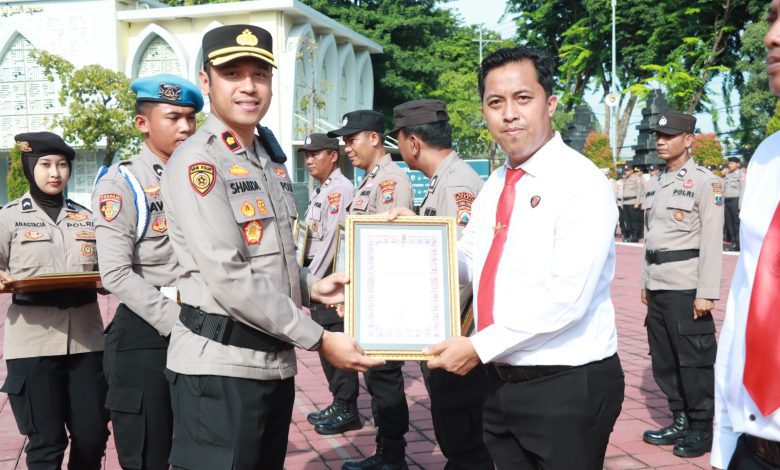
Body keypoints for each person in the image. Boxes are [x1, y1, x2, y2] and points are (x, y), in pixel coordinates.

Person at [159, 24, 382, 470]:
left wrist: (311, 286)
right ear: (206, 81)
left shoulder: (266, 159)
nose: (248, 86)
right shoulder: (199, 162)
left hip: (270, 363)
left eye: (259, 74)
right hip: (219, 368)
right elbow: (228, 275)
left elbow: (269, 257)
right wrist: (320, 340)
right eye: (232, 74)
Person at [423, 47, 624, 470]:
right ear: (484, 112)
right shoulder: (497, 182)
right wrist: (414, 244)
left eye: (523, 98)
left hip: (565, 385)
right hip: (500, 381)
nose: (509, 114)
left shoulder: (581, 182)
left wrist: (478, 346)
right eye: (496, 102)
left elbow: (568, 298)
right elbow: (471, 259)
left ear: (550, 103)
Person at [91, 73, 202, 470]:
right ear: (143, 123)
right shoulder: (123, 183)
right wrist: (178, 323)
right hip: (148, 331)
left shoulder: (202, 176)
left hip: (202, 326)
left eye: (190, 117)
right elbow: (115, 273)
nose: (185, 127)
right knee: (149, 454)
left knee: (199, 450)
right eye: (173, 117)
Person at [388, 99, 493, 470]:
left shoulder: (456, 185)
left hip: (456, 333)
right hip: (448, 333)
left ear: (414, 143)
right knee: (457, 434)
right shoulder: (444, 181)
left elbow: (460, 267)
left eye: (400, 140)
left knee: (464, 437)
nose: (400, 149)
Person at [0, 132, 109, 469]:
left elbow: (109, 268)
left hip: (87, 341)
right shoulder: (8, 217)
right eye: (45, 164)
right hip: (32, 343)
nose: (55, 172)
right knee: (46, 443)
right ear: (29, 167)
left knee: (93, 435)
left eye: (62, 165)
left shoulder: (87, 217)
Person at [711, 2, 780, 467]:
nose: (772, 36)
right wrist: (723, 441)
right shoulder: (767, 157)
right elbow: (745, 305)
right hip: (756, 444)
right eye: (772, 17)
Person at [328, 109, 414, 470]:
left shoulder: (391, 181)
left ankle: (392, 457)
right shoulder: (369, 180)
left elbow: (392, 244)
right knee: (378, 379)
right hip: (368, 298)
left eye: (352, 139)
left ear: (375, 138)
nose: (347, 147)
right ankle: (386, 451)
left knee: (385, 379)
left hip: (384, 302)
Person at [639, 111, 724, 458]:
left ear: (688, 140)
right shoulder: (655, 182)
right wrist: (645, 281)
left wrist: (707, 292)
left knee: (693, 361)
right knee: (664, 359)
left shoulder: (706, 182)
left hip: (686, 286)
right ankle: (680, 419)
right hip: (658, 284)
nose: (661, 142)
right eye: (658, 136)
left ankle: (702, 426)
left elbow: (712, 241)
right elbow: (650, 237)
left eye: (669, 136)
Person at [299, 133, 361, 436]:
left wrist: (314, 280)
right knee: (326, 348)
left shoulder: (339, 190)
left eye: (316, 154)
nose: (309, 160)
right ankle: (339, 402)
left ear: (333, 156)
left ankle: (347, 408)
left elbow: (330, 243)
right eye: (307, 155)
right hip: (318, 276)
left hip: (328, 277)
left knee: (336, 343)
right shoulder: (323, 189)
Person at [622, 163, 645, 242]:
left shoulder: (636, 178)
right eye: (625, 170)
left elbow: (639, 191)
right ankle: (631, 235)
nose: (626, 172)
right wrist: (622, 203)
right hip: (625, 202)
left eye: (628, 170)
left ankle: (635, 236)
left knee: (634, 221)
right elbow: (623, 192)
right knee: (627, 221)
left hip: (633, 202)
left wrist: (637, 203)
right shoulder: (625, 179)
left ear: (632, 170)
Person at [723, 156, 742, 251]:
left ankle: (738, 244)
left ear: (738, 164)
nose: (730, 165)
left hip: (736, 201)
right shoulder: (728, 175)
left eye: (732, 163)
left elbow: (743, 190)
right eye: (729, 163)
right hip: (727, 201)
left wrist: (740, 204)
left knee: (736, 223)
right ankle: (733, 243)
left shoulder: (741, 174)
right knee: (729, 223)